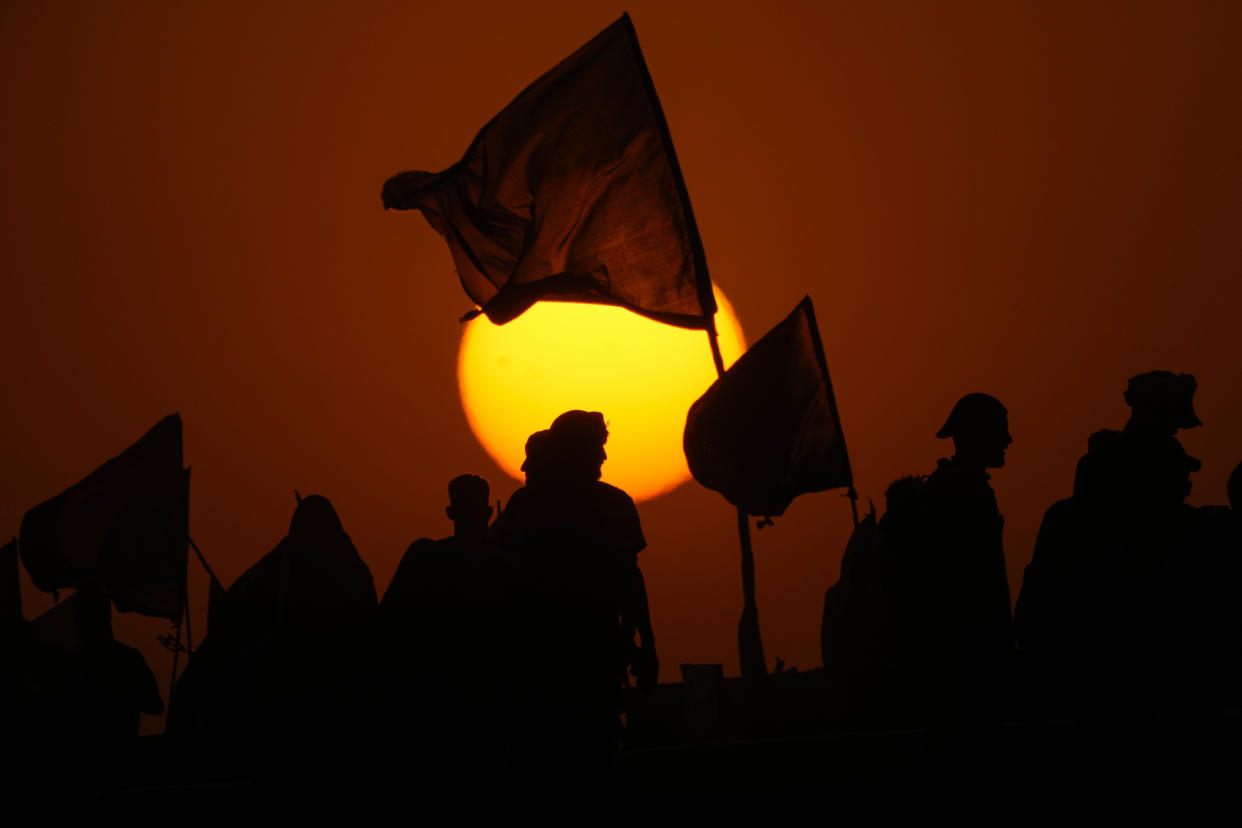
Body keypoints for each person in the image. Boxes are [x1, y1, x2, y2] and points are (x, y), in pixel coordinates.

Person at [492, 410, 656, 797]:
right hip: (540, 660)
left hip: (596, 657)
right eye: (595, 448)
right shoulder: (528, 509)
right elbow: (498, 580)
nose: (602, 458)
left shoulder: (612, 505)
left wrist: (646, 642)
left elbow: (629, 578)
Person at [379, 474, 501, 787]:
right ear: (488, 513)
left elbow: (388, 621)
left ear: (450, 513)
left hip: (436, 699)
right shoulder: (505, 564)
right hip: (485, 699)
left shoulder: (425, 558)